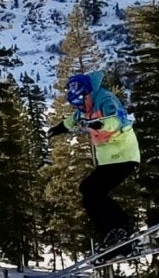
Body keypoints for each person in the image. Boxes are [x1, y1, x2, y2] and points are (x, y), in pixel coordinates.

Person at [48, 70, 140, 249]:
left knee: (93, 190)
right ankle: (112, 234)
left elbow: (116, 120)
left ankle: (125, 227)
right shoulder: (84, 107)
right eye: (76, 104)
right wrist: (58, 128)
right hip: (109, 160)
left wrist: (100, 123)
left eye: (81, 102)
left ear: (87, 93)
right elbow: (72, 119)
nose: (80, 107)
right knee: (88, 192)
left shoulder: (106, 100)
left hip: (124, 156)